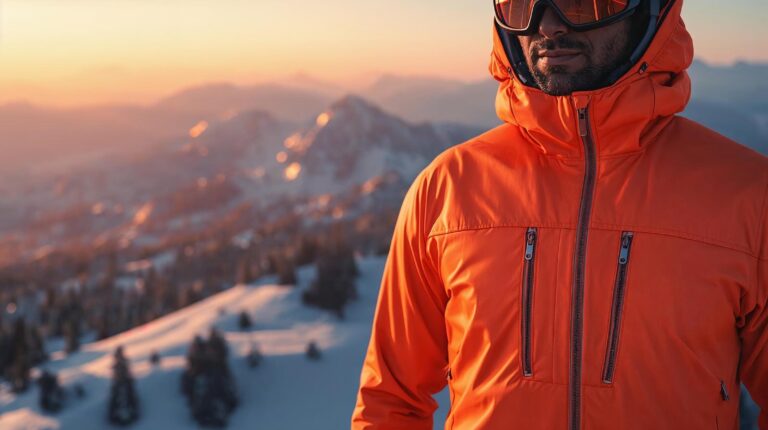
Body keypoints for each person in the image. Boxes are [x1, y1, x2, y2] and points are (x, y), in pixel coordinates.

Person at [351, 0, 768, 429]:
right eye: (522, 5)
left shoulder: (748, 197)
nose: (548, 25)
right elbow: (390, 401)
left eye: (583, 4)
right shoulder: (447, 190)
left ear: (650, 12)